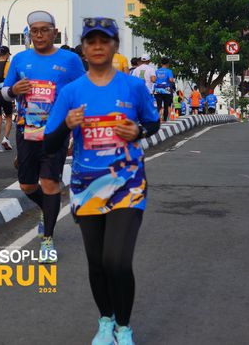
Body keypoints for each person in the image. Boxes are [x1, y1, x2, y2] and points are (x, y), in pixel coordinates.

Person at [44, 17, 159, 345]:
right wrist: (67, 125)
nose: (97, 47)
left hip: (127, 183)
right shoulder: (71, 92)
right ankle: (106, 321)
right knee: (97, 263)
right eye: (91, 41)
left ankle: (124, 327)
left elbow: (152, 123)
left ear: (114, 46)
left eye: (104, 41)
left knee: (117, 261)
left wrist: (138, 130)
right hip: (86, 186)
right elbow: (49, 144)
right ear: (83, 47)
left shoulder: (133, 87)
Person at [2, 10, 85, 262]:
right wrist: (13, 90)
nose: (39, 35)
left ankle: (47, 239)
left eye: (44, 30)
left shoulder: (70, 60)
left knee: (50, 183)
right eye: (34, 31)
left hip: (56, 131)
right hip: (26, 129)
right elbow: (2, 91)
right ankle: (45, 208)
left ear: (54, 32)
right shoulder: (19, 59)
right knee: (27, 185)